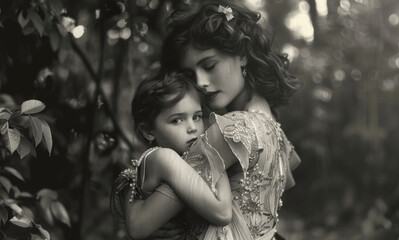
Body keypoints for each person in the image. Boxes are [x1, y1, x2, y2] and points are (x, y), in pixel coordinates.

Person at [126, 0, 301, 239]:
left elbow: (139, 223)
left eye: (209, 65)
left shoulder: (229, 132)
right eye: (190, 74)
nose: (200, 82)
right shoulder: (277, 133)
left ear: (242, 54)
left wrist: (126, 186)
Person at [111, 71, 240, 239]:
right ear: (148, 131)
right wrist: (216, 154)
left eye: (197, 117)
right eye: (177, 120)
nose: (192, 128)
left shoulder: (161, 159)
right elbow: (222, 213)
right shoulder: (163, 157)